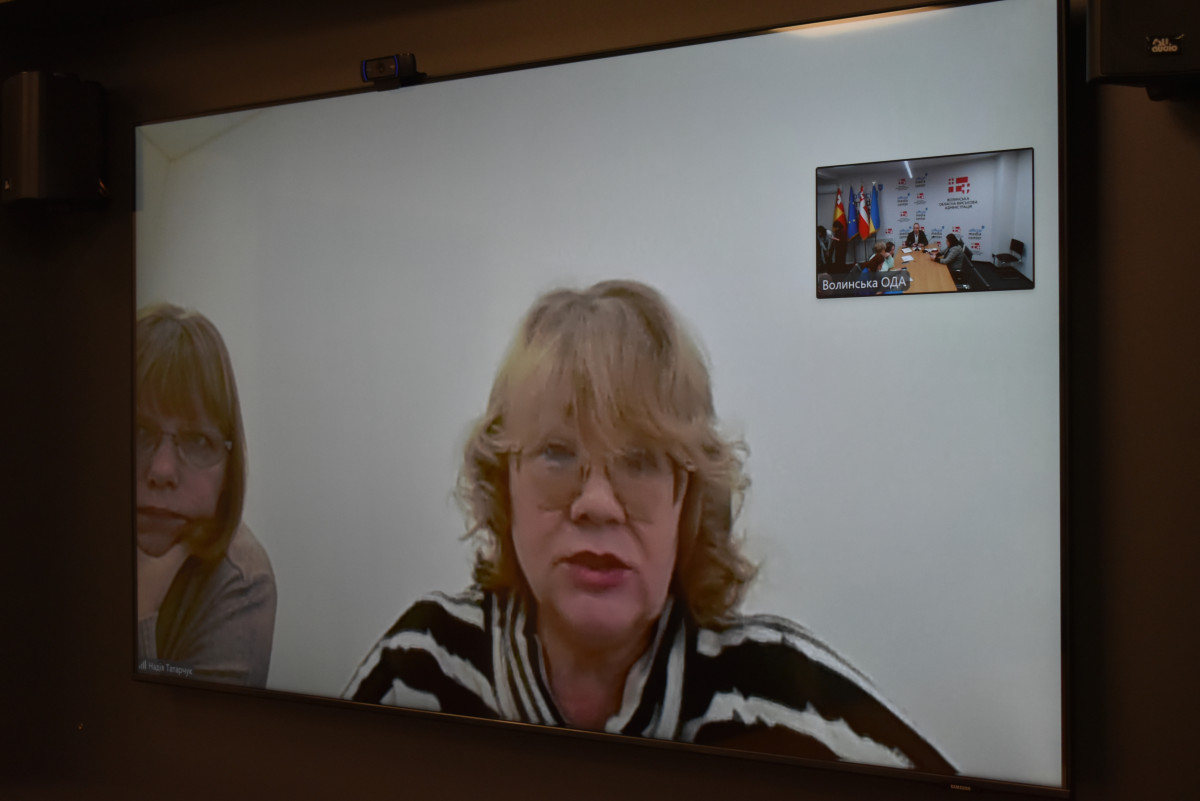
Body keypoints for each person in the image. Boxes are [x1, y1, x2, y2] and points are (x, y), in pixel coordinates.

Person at [344, 280, 955, 772]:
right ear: (505, 483)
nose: (598, 504)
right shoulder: (417, 670)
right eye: (557, 453)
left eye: (639, 461)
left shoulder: (793, 703)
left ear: (686, 498)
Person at [136, 303, 276, 687]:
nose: (162, 471)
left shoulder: (241, 582)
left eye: (197, 441)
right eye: (139, 433)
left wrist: (141, 610)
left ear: (229, 470)